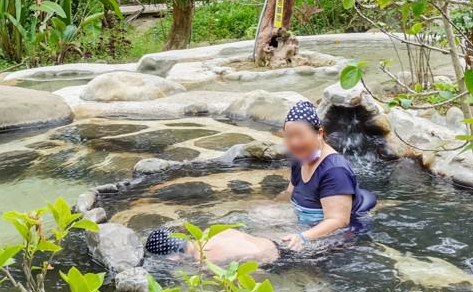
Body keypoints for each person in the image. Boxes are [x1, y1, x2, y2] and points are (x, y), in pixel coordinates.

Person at [279, 99, 376, 251]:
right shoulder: (300, 159)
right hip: (307, 225)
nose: (294, 142)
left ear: (319, 133)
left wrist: (303, 237)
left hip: (339, 235)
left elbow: (338, 220)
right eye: (289, 136)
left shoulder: (335, 171)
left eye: (300, 135)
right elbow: (289, 193)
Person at [144, 226, 281, 265]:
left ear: (174, 257)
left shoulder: (204, 261)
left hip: (274, 263)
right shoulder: (209, 231)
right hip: (276, 244)